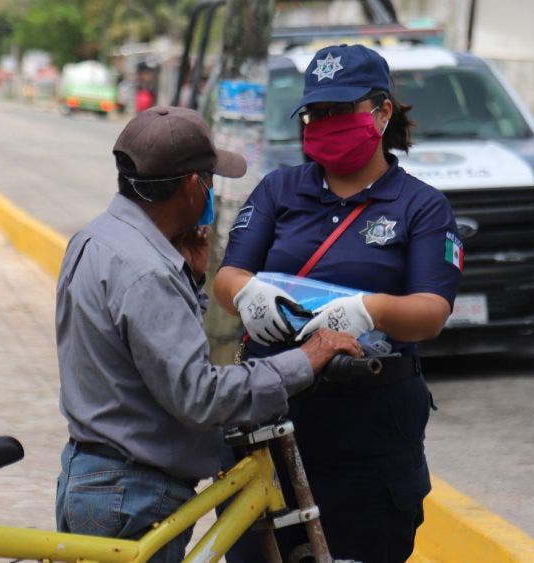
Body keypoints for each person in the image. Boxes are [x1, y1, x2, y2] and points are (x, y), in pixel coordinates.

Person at [54, 106, 364, 562]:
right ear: (189, 185)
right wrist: (306, 359)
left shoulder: (98, 239)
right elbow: (199, 394)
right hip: (132, 493)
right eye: (210, 179)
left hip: (97, 480)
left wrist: (193, 281)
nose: (212, 191)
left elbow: (151, 345)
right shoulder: (147, 271)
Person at [213, 44, 463, 562]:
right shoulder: (279, 189)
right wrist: (246, 293)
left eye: (339, 110)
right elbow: (229, 273)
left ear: (382, 111)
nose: (325, 122)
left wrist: (373, 310)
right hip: (272, 416)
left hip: (369, 428)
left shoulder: (421, 206)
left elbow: (433, 310)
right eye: (315, 113)